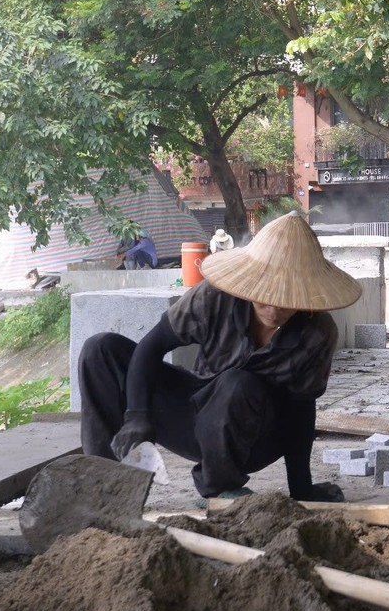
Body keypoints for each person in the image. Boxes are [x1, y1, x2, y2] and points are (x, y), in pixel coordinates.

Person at [78, 213, 362, 504]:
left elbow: (301, 409)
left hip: (253, 437)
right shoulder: (214, 298)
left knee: (237, 382)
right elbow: (152, 347)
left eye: (286, 299)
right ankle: (105, 483)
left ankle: (219, 486)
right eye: (266, 295)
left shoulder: (317, 331)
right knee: (100, 349)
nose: (274, 309)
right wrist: (136, 416)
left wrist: (302, 488)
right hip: (194, 417)